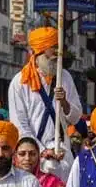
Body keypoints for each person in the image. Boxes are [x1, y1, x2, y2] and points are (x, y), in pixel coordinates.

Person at [7, 27, 83, 179]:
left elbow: (75, 117)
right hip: (32, 157)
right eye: (53, 48)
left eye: (58, 48)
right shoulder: (19, 82)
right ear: (39, 52)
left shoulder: (65, 77)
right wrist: (41, 151)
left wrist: (65, 103)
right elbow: (19, 125)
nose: (57, 54)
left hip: (62, 153)